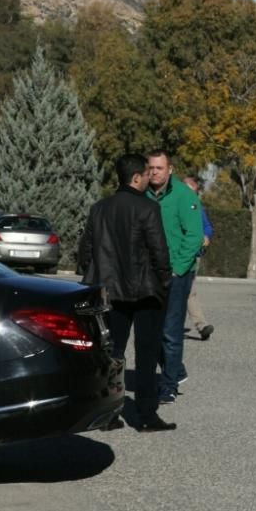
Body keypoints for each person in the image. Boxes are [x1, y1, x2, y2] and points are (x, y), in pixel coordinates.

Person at [77, 154, 176, 432]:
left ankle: (108, 414)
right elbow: (159, 251)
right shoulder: (147, 208)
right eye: (146, 174)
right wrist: (166, 281)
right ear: (136, 177)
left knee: (112, 353)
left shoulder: (99, 208)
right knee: (146, 354)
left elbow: (85, 250)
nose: (149, 178)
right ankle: (146, 415)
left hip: (110, 292)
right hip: (146, 292)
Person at [146, 150, 204, 404]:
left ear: (170, 170)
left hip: (176, 274)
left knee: (170, 331)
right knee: (148, 330)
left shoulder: (184, 196)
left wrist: (177, 268)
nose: (155, 172)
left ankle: (168, 385)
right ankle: (176, 370)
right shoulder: (143, 195)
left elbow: (194, 236)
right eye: (151, 168)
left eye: (159, 168)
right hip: (148, 274)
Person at [183, 176, 214, 341]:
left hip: (194, 254)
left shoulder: (198, 207)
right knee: (186, 291)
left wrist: (207, 236)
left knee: (189, 291)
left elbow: (207, 226)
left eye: (193, 192)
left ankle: (202, 326)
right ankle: (201, 326)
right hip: (178, 254)